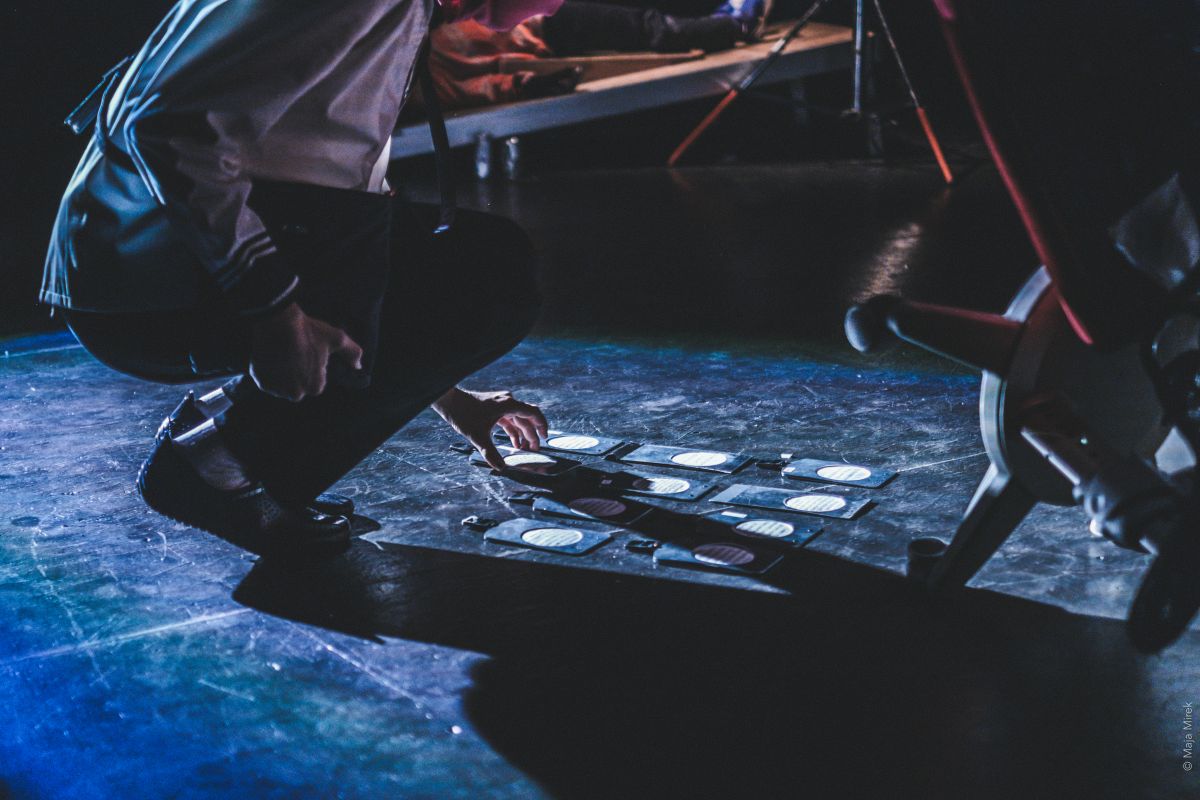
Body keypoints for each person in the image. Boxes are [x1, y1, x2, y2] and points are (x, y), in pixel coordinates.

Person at [42, 0, 558, 555]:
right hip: (144, 290)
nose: (537, 18)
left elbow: (352, 194)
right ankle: (213, 463)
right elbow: (170, 130)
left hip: (166, 267)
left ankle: (221, 425)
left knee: (471, 258)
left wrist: (446, 393)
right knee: (493, 271)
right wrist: (273, 313)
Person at [427, 0, 772, 109]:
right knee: (649, 28)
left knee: (643, 24)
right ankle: (738, 26)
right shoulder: (411, 76)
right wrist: (523, 83)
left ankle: (726, 22)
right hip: (537, 28)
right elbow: (466, 89)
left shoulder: (409, 28)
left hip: (532, 23)